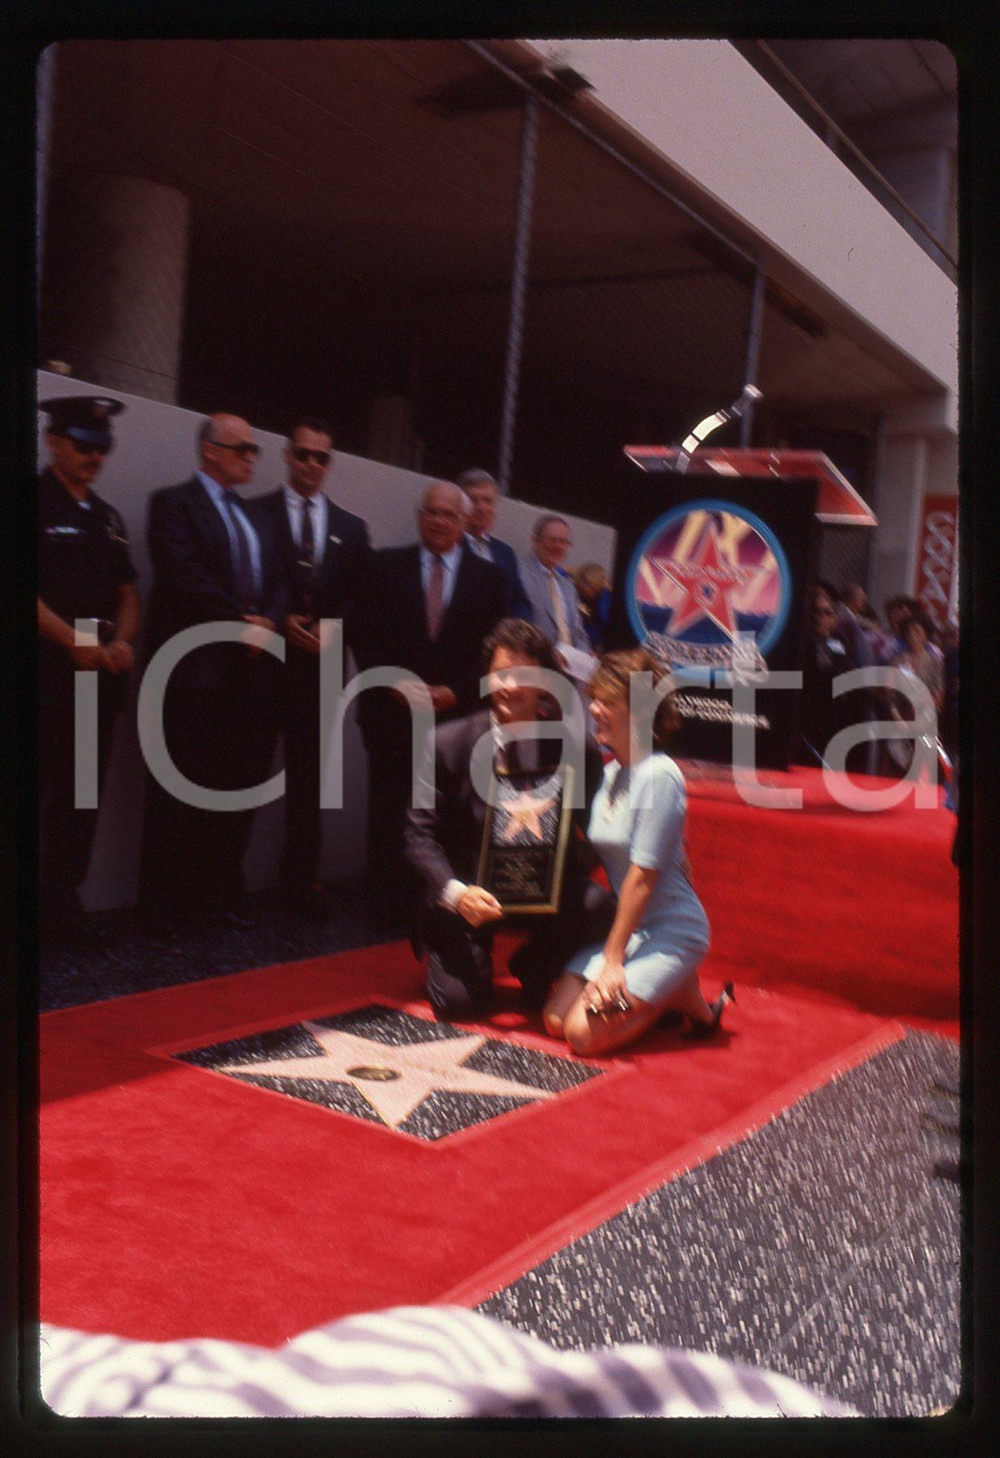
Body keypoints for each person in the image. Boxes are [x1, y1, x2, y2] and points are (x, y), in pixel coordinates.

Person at [404, 618, 615, 1019]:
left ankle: (534, 965)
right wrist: (456, 895)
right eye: (501, 674)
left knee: (600, 906)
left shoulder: (576, 749)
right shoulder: (444, 744)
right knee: (460, 1005)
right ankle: (459, 954)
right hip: (467, 893)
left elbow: (597, 829)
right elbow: (418, 836)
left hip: (543, 893)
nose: (511, 686)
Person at [543, 648, 730, 1057]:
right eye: (594, 698)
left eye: (607, 702)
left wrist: (612, 963)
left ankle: (676, 993)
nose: (594, 709)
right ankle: (678, 991)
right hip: (632, 933)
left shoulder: (660, 776)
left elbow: (642, 878)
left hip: (672, 931)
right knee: (554, 1020)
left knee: (580, 1034)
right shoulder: (611, 774)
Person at [138, 413, 283, 932]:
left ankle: (218, 896)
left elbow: (281, 579)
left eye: (253, 450)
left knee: (235, 790)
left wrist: (268, 620)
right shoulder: (173, 505)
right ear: (210, 452)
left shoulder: (259, 518)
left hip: (249, 680)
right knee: (178, 792)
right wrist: (237, 624)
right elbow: (182, 575)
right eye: (241, 449)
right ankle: (163, 908)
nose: (250, 458)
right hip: (194, 675)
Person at [353, 481, 507, 927]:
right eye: (431, 513)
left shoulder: (489, 579)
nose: (439, 521)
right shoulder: (385, 567)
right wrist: (393, 683)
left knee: (450, 817)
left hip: (457, 720)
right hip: (392, 714)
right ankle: (384, 911)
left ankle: (443, 908)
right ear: (420, 516)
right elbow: (364, 636)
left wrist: (457, 691)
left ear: (464, 522)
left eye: (448, 515)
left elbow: (495, 652)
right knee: (389, 811)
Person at [250, 418, 371, 916]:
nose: (311, 465)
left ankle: (300, 882)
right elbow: (247, 581)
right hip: (263, 663)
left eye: (321, 457)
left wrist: (332, 628)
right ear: (286, 454)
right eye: (303, 454)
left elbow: (362, 598)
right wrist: (280, 623)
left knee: (308, 778)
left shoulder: (350, 528)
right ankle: (219, 882)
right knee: (246, 770)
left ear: (330, 462)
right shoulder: (254, 514)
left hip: (321, 667)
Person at [38, 395, 140, 947]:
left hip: (94, 683)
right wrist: (69, 638)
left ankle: (61, 908)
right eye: (83, 444)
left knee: (79, 799)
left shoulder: (107, 516)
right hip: (42, 678)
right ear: (53, 440)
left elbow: (128, 593)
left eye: (102, 447)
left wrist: (122, 640)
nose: (94, 456)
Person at [456, 468, 532, 621]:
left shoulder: (505, 552)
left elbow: (521, 603)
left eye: (488, 501)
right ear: (459, 505)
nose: (482, 508)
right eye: (473, 500)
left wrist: (512, 631)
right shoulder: (449, 546)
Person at [519, 514, 591, 653]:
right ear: (535, 540)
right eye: (553, 540)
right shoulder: (519, 573)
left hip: (569, 669)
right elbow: (519, 627)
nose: (559, 546)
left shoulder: (568, 586)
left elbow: (578, 632)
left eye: (564, 542)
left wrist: (586, 653)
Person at [571, 562, 612, 651]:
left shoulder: (605, 600)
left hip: (598, 645)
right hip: (580, 642)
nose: (578, 592)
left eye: (581, 589)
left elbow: (605, 620)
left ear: (596, 588)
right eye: (577, 587)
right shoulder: (575, 591)